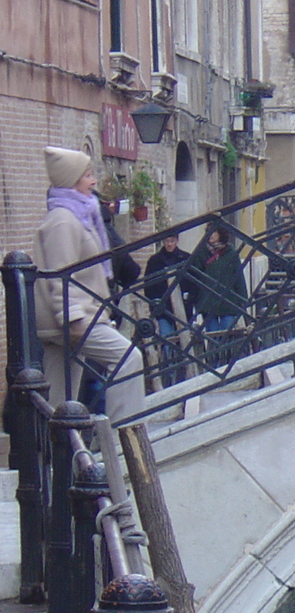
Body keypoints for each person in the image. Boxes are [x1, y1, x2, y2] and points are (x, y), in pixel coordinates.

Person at [33, 147, 146, 423]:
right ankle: (127, 436)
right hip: (75, 318)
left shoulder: (76, 215)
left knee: (59, 398)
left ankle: (51, 458)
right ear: (71, 179)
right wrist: (72, 317)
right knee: (128, 357)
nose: (93, 181)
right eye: (87, 175)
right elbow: (61, 273)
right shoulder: (63, 220)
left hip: (75, 316)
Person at [142, 233, 193, 387]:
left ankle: (184, 377)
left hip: (183, 309)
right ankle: (170, 378)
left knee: (183, 343)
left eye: (172, 241)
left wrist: (189, 302)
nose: (169, 244)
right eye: (166, 241)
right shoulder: (154, 261)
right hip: (163, 309)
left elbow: (193, 283)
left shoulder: (186, 258)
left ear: (177, 241)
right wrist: (155, 305)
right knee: (166, 341)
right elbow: (148, 285)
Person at [188, 223, 248, 338]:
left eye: (213, 232)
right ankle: (215, 356)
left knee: (228, 334)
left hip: (228, 301)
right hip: (208, 302)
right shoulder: (200, 253)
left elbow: (238, 277)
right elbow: (194, 278)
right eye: (208, 232)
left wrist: (242, 299)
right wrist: (193, 301)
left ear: (220, 234)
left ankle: (228, 356)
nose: (210, 235)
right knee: (212, 336)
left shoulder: (231, 253)